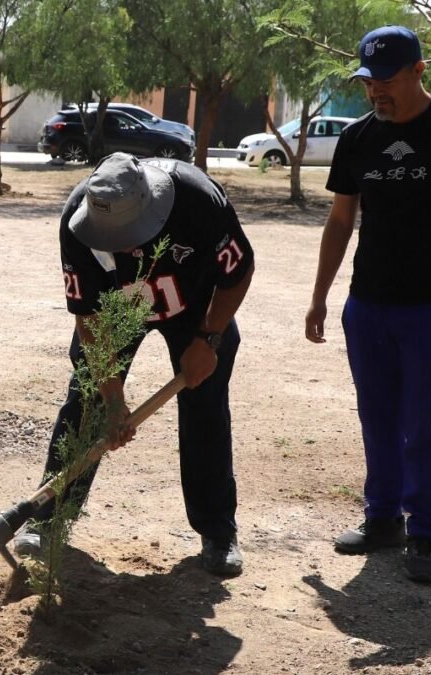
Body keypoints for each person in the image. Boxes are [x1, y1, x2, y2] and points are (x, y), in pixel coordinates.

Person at [305, 25, 431, 583]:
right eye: (369, 81)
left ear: (420, 71)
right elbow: (341, 220)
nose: (377, 92)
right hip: (367, 305)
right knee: (376, 416)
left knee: (424, 423)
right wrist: (321, 296)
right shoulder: (356, 140)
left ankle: (423, 534)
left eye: (389, 80)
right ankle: (382, 521)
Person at [16, 152, 255, 577]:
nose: (118, 245)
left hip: (196, 311)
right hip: (116, 311)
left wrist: (208, 339)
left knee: (205, 407)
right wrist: (112, 399)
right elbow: (87, 317)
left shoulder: (197, 199)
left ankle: (218, 531)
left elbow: (239, 271)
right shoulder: (76, 220)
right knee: (86, 399)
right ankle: (47, 516)